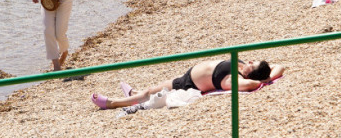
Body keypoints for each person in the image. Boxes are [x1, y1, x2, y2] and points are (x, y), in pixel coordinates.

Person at [91, 59, 284, 109]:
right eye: (252, 61)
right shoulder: (241, 70)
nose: (249, 62)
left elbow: (249, 86)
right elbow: (279, 66)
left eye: (252, 65)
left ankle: (112, 103)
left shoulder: (236, 80)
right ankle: (133, 93)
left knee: (150, 92)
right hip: (187, 77)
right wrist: (267, 78)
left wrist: (260, 81)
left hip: (187, 84)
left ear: (253, 76)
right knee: (148, 91)